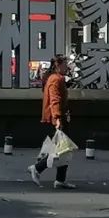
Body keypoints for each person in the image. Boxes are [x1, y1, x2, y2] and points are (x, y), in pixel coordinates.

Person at [29, 54, 75, 189]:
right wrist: (58, 119)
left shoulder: (54, 78)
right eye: (65, 64)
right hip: (57, 119)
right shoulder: (56, 79)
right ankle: (37, 168)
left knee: (63, 149)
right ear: (58, 65)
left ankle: (60, 179)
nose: (67, 67)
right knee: (61, 150)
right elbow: (55, 100)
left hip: (57, 118)